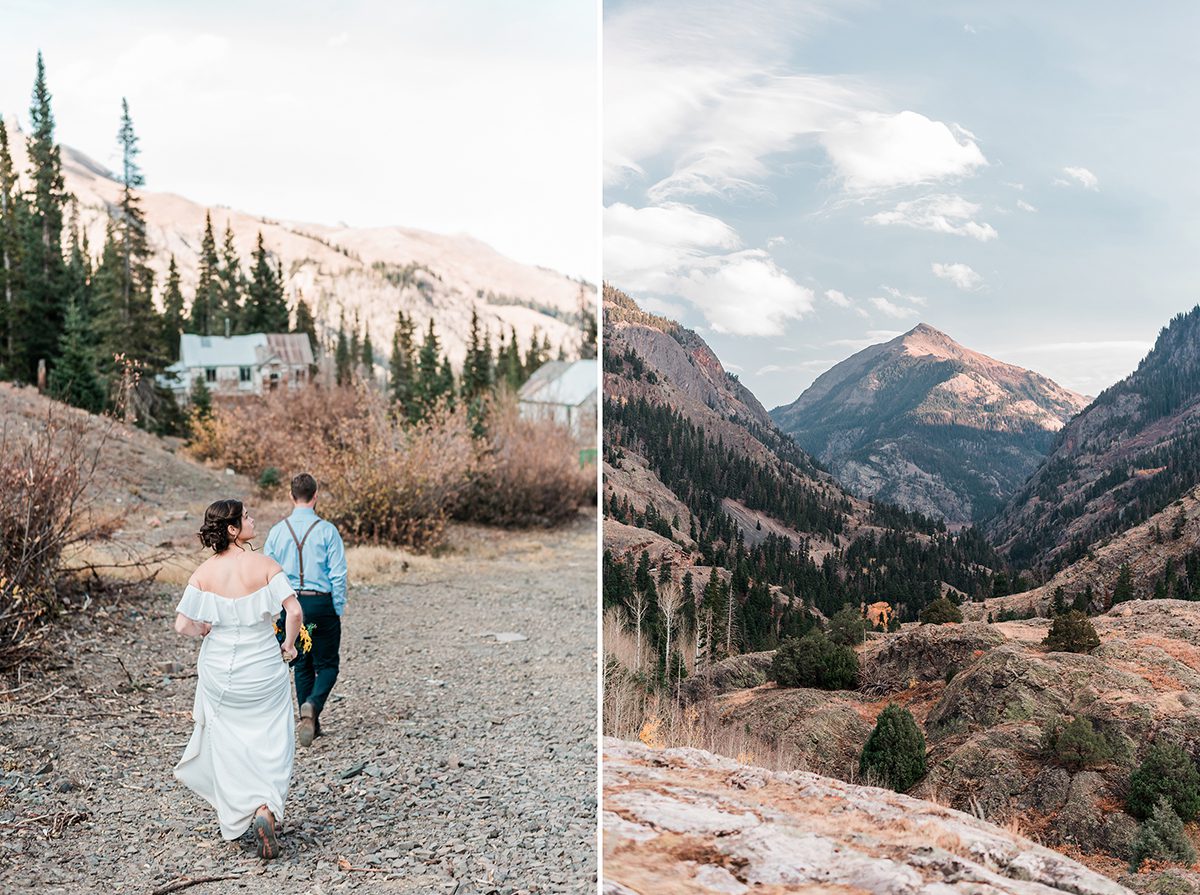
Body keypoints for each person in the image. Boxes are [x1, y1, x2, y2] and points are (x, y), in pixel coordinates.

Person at [173, 498, 301, 860]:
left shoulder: (203, 573)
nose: (252, 518)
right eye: (246, 516)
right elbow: (294, 610)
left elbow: (182, 623)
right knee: (274, 737)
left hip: (220, 670)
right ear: (232, 529)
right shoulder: (264, 565)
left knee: (229, 741)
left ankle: (244, 808)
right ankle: (267, 808)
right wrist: (289, 645)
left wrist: (204, 628)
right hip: (261, 665)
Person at [263, 472, 348, 747]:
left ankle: (309, 719)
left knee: (301, 661)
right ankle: (313, 706)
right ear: (316, 496)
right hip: (320, 603)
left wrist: (276, 609)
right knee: (328, 665)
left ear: (291, 496)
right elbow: (338, 574)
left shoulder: (277, 532)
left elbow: (268, 573)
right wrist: (336, 607)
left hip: (291, 604)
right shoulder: (327, 531)